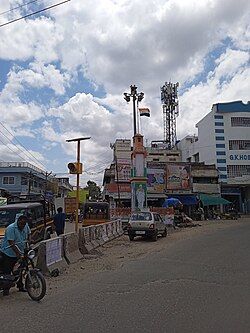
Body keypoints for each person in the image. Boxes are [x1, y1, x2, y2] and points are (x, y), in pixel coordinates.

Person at [0, 215, 31, 296]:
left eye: (24, 224)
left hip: (21, 251)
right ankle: (6, 289)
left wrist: (29, 242)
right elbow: (11, 243)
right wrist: (18, 254)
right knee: (7, 271)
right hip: (8, 253)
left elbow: (29, 234)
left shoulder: (25, 225)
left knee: (20, 269)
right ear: (18, 221)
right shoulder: (11, 228)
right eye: (21, 224)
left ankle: (20, 286)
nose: (22, 226)